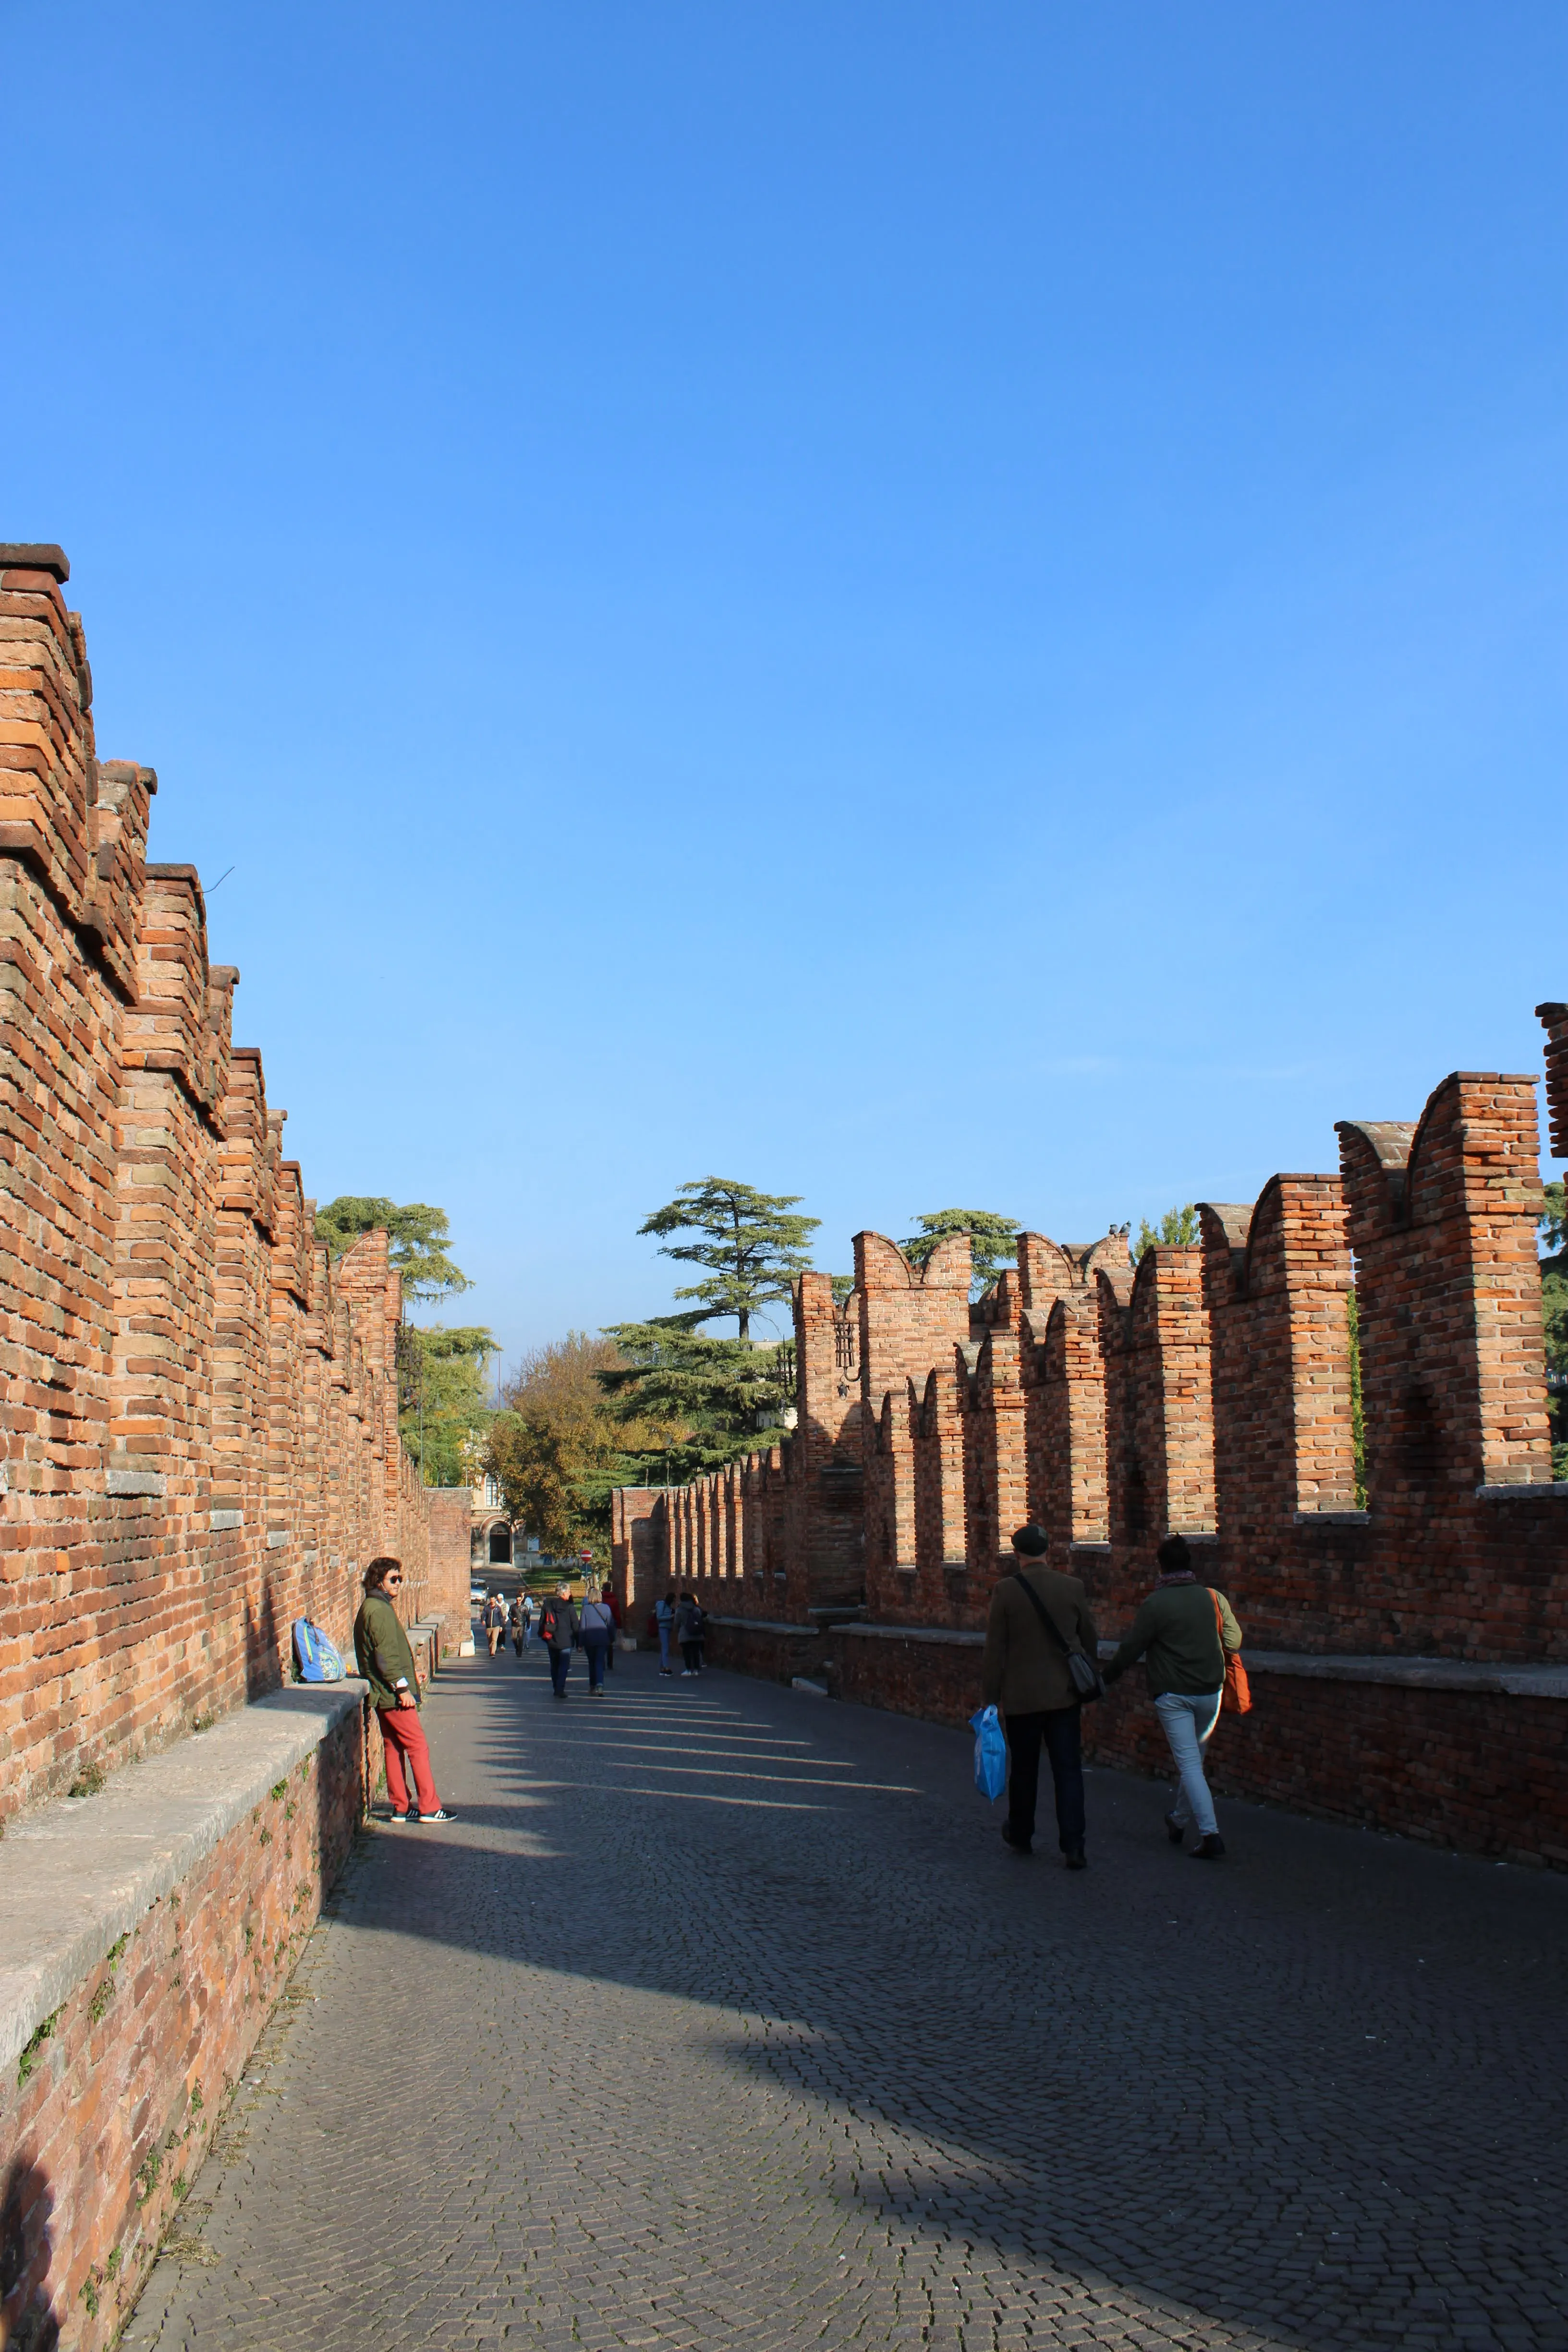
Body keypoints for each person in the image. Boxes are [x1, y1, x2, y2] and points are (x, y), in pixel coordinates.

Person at [1102, 1532, 1243, 1861]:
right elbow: (1233, 1642)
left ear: (1161, 1567)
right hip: (1211, 1691)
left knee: (1190, 1765)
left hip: (1173, 1694)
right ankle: (1179, 1820)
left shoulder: (1156, 1604)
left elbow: (1131, 1650)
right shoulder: (1213, 1598)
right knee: (1194, 1762)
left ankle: (1210, 1835)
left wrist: (1104, 1679)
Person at [981, 1525, 1099, 1869]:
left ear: (1017, 1553)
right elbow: (1089, 1639)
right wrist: (1085, 1676)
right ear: (1048, 1550)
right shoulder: (1072, 1587)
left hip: (1022, 1698)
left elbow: (994, 1651)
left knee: (1024, 1770)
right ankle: (1074, 1845)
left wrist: (990, 1698)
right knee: (1068, 1770)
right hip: (1064, 1696)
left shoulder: (1005, 1591)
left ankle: (1021, 1833)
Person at [352, 1556, 452, 1823]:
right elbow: (385, 1656)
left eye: (400, 1579)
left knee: (393, 1746)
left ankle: (401, 1807)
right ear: (378, 1582)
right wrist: (402, 1688)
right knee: (417, 1745)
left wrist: (410, 1676)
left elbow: (385, 1653)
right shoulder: (378, 1610)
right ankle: (429, 1807)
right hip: (392, 1695)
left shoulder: (375, 1607)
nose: (398, 1583)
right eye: (393, 1579)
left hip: (383, 1692)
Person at [538, 1581, 579, 1700]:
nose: (570, 1594)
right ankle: (560, 1689)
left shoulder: (548, 1605)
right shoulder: (570, 1607)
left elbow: (542, 1623)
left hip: (552, 1640)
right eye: (569, 1591)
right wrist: (579, 1642)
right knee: (564, 1666)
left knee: (554, 1665)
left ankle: (556, 1686)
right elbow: (575, 1626)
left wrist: (544, 1637)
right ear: (564, 1593)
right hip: (566, 1641)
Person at [579, 1588, 615, 1696]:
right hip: (603, 1639)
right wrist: (611, 1638)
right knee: (600, 1661)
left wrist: (580, 1644)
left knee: (592, 1663)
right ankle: (600, 1684)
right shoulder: (606, 1608)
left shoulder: (585, 1609)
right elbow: (611, 1625)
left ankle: (592, 1686)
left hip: (589, 1640)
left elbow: (583, 1628)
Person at [675, 1590, 704, 1677]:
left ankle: (688, 1670)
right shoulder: (696, 1609)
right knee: (696, 1653)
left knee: (687, 1653)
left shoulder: (680, 1610)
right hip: (697, 1634)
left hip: (685, 1634)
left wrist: (677, 1630)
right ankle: (697, 1670)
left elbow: (677, 1622)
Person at [600, 1580, 622, 1673]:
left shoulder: (600, 1598)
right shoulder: (614, 1600)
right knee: (610, 1644)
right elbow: (617, 1614)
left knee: (601, 1644)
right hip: (611, 1622)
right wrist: (619, 1626)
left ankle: (602, 1663)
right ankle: (610, 1664)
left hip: (601, 1622)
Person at [654, 1589, 677, 1677]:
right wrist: (670, 1617)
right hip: (663, 1628)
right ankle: (666, 1668)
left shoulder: (668, 1606)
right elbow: (659, 1617)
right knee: (665, 1648)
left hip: (668, 1628)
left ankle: (662, 1668)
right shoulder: (662, 1605)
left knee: (664, 1648)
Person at [483, 1591, 506, 1659]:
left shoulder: (498, 1608)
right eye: (491, 1600)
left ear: (495, 1600)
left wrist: (501, 1626)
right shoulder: (487, 1608)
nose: (492, 1601)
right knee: (490, 1641)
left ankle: (493, 1653)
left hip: (496, 1626)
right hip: (489, 1627)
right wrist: (483, 1620)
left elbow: (501, 1618)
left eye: (493, 1600)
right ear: (490, 1600)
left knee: (494, 1640)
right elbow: (483, 1615)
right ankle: (491, 1651)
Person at [508, 1592, 525, 1658]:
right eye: (517, 1600)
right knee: (514, 1638)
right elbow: (509, 1614)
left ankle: (520, 1652)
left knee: (521, 1639)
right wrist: (513, 1619)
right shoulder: (513, 1607)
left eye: (520, 1600)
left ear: (521, 1600)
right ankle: (517, 1648)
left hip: (522, 1625)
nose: (518, 1601)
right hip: (514, 1625)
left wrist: (528, 1624)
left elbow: (527, 1615)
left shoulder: (524, 1607)